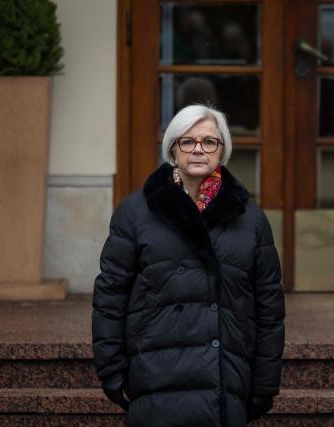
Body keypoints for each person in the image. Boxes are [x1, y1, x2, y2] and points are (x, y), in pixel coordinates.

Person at [92, 104, 285, 426]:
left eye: (209, 142)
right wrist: (111, 369)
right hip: (155, 375)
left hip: (225, 379)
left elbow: (268, 307)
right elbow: (111, 295)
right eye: (188, 141)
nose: (198, 149)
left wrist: (265, 383)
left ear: (221, 151)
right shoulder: (136, 212)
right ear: (172, 148)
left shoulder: (250, 219)